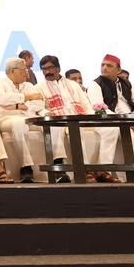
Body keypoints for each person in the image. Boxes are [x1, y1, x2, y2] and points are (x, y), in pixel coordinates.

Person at [86, 54, 134, 180]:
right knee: (123, 129)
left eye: (109, 66)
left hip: (131, 119)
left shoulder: (127, 84)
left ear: (118, 70)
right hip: (108, 121)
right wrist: (126, 121)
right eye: (103, 65)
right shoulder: (96, 84)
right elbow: (99, 109)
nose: (104, 68)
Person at [35, 55, 101, 183]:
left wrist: (91, 118)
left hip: (77, 118)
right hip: (57, 120)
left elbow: (86, 104)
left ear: (58, 68)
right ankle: (64, 169)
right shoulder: (39, 87)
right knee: (64, 128)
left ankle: (91, 170)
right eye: (44, 69)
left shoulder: (73, 85)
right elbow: (37, 107)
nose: (47, 72)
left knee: (79, 128)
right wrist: (47, 113)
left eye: (50, 68)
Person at [0, 56, 46, 183]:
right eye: (23, 70)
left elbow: (39, 103)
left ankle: (58, 163)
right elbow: (3, 99)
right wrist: (26, 98)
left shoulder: (28, 85)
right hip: (7, 118)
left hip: (28, 116)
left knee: (52, 125)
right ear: (13, 71)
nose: (26, 73)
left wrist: (18, 105)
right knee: (19, 124)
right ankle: (26, 167)